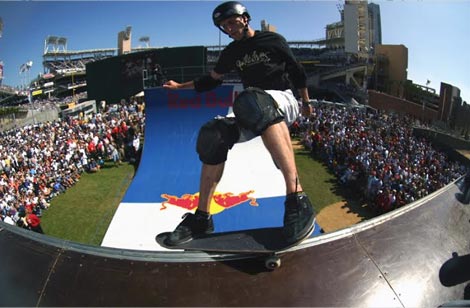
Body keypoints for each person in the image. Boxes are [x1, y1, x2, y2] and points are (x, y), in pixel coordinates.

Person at [162, 1, 315, 245]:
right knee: (214, 134)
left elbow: (297, 71)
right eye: (224, 27)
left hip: (284, 98)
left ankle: (297, 198)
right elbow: (212, 80)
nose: (229, 29)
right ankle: (202, 217)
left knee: (253, 100)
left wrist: (306, 103)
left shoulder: (272, 40)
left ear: (245, 18)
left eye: (232, 22)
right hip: (253, 105)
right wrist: (179, 87)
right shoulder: (231, 52)